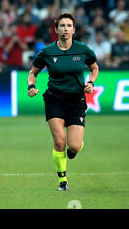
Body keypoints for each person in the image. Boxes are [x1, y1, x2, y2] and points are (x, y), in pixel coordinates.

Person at [27, 13, 99, 191]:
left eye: (68, 26)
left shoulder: (84, 50)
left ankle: (73, 151)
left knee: (73, 145)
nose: (65, 29)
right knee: (60, 141)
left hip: (76, 100)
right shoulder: (46, 52)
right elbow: (33, 72)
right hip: (54, 99)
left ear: (74, 30)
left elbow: (94, 67)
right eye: (62, 26)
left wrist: (90, 82)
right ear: (56, 29)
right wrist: (31, 86)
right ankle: (62, 180)